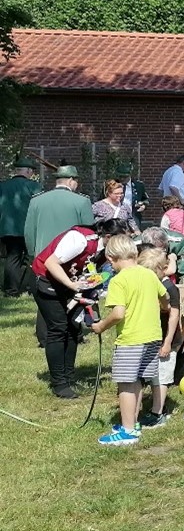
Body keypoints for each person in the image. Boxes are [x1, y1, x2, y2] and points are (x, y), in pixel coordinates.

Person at [87, 234, 174, 446]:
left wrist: (100, 326)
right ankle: (133, 423)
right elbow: (166, 298)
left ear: (110, 258)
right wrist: (163, 307)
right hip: (153, 336)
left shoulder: (118, 281)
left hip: (131, 339)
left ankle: (127, 431)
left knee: (126, 384)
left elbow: (118, 314)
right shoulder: (148, 274)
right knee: (137, 381)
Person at [31, 222, 103, 398]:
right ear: (109, 236)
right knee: (58, 328)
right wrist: (71, 284)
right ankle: (59, 384)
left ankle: (68, 376)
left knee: (73, 327)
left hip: (68, 283)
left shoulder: (102, 248)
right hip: (46, 280)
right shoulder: (80, 239)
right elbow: (50, 262)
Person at [136, 245, 179, 428]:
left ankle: (157, 412)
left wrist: (168, 342)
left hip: (165, 338)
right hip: (148, 338)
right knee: (151, 376)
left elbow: (174, 315)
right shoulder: (145, 285)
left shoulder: (169, 287)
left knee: (161, 377)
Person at [0, 156, 41, 297]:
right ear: (29, 171)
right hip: (28, 228)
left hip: (7, 228)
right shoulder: (34, 186)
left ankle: (11, 289)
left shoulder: (2, 186)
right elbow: (39, 207)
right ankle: (30, 287)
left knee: (12, 258)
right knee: (32, 258)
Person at [114, 163, 148, 231]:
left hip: (133, 216)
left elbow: (145, 199)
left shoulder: (138, 186)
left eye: (125, 177)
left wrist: (143, 205)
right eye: (120, 176)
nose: (122, 179)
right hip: (115, 217)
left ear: (130, 175)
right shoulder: (112, 185)